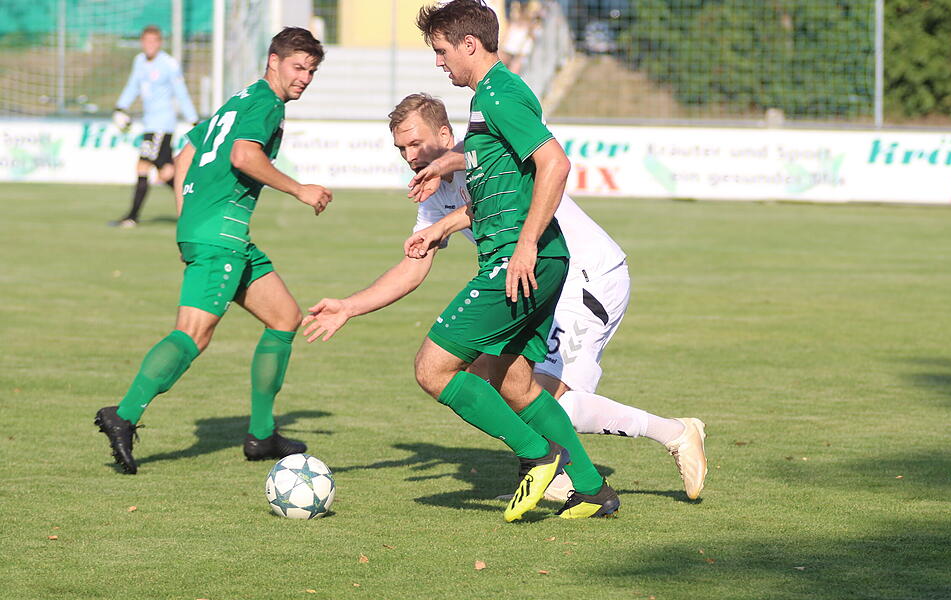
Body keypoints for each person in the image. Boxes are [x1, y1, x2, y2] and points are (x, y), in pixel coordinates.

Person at [303, 0, 618, 521]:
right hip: (533, 261)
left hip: (522, 262)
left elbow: (555, 164)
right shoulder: (486, 101)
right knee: (515, 381)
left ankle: (539, 457)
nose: (438, 62)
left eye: (442, 50)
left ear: (470, 45)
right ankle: (590, 487)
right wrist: (439, 227)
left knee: (433, 368)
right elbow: (491, 173)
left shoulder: (498, 94)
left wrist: (525, 244)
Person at [354, 93, 709, 503]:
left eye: (417, 144)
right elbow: (414, 266)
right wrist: (349, 307)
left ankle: (674, 434)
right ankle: (551, 467)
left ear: (447, 134)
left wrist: (444, 198)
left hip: (585, 275)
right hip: (533, 279)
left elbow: (478, 178)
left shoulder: (482, 152)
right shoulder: (432, 190)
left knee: (545, 398)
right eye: (401, 148)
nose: (409, 155)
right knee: (485, 377)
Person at [95, 27, 334, 475]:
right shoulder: (265, 104)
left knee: (285, 318)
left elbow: (187, 148)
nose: (305, 77)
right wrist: (299, 189)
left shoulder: (240, 99)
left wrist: (190, 214)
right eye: (298, 67)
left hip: (218, 230)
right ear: (273, 61)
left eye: (312, 70)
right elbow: (244, 156)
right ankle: (122, 415)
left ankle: (261, 435)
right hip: (221, 234)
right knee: (193, 334)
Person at [110, 25, 199, 228]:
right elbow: (133, 85)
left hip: (162, 126)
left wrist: (193, 120)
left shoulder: (168, 64)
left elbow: (181, 92)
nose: (150, 45)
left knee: (142, 166)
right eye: (146, 41)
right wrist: (120, 107)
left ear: (159, 43)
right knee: (166, 172)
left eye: (154, 41)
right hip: (149, 124)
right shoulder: (139, 61)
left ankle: (132, 217)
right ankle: (197, 205)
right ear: (142, 42)